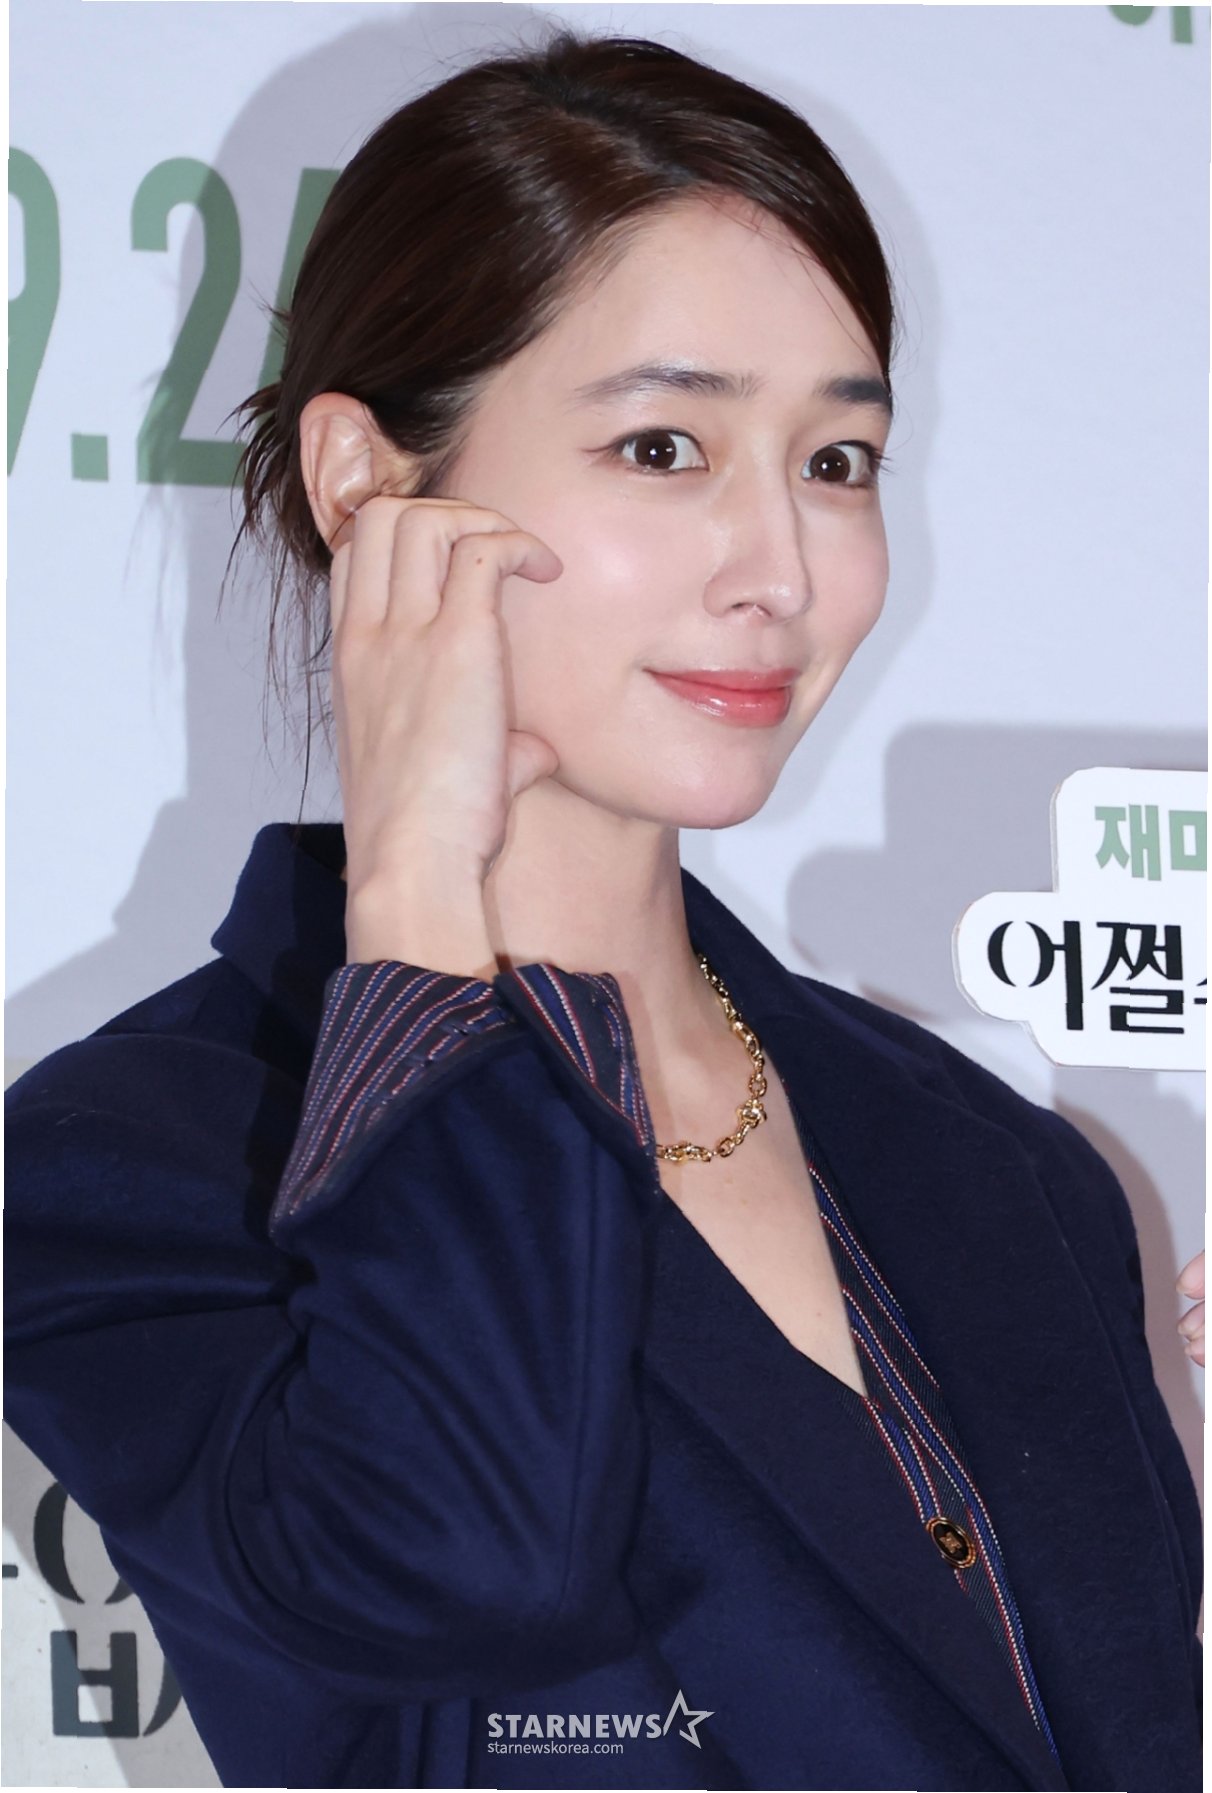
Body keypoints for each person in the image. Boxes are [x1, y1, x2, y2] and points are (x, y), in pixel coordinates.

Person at [4, 27, 1203, 1793]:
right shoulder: (137, 1161)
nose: (781, 569)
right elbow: (468, 1573)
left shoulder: (1012, 1167)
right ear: (366, 484)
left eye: (838, 461)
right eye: (663, 445)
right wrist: (423, 878)